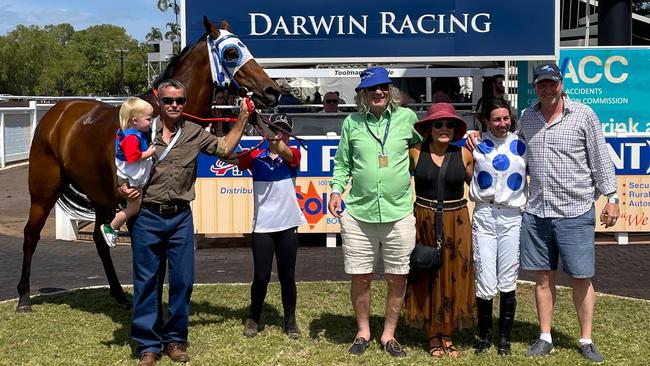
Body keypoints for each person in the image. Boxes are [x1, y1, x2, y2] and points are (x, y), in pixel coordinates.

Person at [468, 63, 618, 363]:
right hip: (536, 211)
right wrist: (475, 131)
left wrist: (611, 197)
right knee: (542, 278)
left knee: (581, 277)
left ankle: (586, 339)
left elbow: (601, 158)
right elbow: (504, 142)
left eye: (552, 83)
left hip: (574, 210)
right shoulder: (526, 117)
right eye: (541, 84)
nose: (547, 89)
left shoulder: (583, 115)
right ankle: (545, 336)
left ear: (561, 84)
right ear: (535, 87)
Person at [124, 79, 254, 366]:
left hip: (181, 217)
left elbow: (223, 148)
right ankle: (148, 345)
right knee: (146, 283)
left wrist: (243, 117)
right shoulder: (142, 131)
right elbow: (121, 163)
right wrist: (124, 189)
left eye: (179, 101)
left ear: (185, 103)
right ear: (158, 101)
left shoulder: (194, 133)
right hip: (147, 216)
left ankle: (174, 340)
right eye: (169, 100)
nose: (174, 106)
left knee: (183, 281)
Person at [327, 66, 421, 357]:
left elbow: (424, 154)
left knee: (397, 277)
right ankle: (363, 331)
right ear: (363, 95)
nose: (378, 93)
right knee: (361, 276)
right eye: (371, 89)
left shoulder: (408, 118)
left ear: (390, 91)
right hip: (358, 214)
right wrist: (334, 190)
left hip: (400, 212)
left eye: (383, 87)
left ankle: (389, 334)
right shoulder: (351, 123)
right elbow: (342, 163)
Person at [403, 102, 475, 358]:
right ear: (429, 128)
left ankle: (448, 333)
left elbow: (479, 184)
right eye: (438, 124)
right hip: (424, 218)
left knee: (455, 275)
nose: (444, 128)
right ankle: (432, 333)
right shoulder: (414, 152)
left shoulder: (465, 154)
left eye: (450, 124)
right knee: (427, 274)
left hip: (457, 221)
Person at [230, 114, 307, 339]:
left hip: (288, 225)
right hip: (263, 226)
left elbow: (283, 150)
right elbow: (229, 156)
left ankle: (290, 322)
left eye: (284, 130)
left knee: (287, 276)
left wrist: (269, 135)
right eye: (275, 129)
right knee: (261, 277)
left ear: (289, 135)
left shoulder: (294, 155)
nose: (279, 133)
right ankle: (253, 318)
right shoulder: (256, 156)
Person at [469, 98, 527, 356]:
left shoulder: (523, 144)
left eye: (506, 118)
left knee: (508, 278)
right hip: (484, 214)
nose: (502, 124)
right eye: (496, 119)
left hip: (512, 216)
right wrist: (468, 134)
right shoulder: (475, 143)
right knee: (485, 279)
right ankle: (484, 337)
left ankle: (504, 338)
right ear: (486, 121)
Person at [101, 97, 156, 247]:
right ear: (134, 121)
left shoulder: (132, 133)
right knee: (134, 207)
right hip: (130, 178)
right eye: (148, 119)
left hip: (130, 177)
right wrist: (149, 153)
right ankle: (111, 227)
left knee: (135, 205)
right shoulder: (132, 137)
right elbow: (132, 157)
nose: (151, 122)